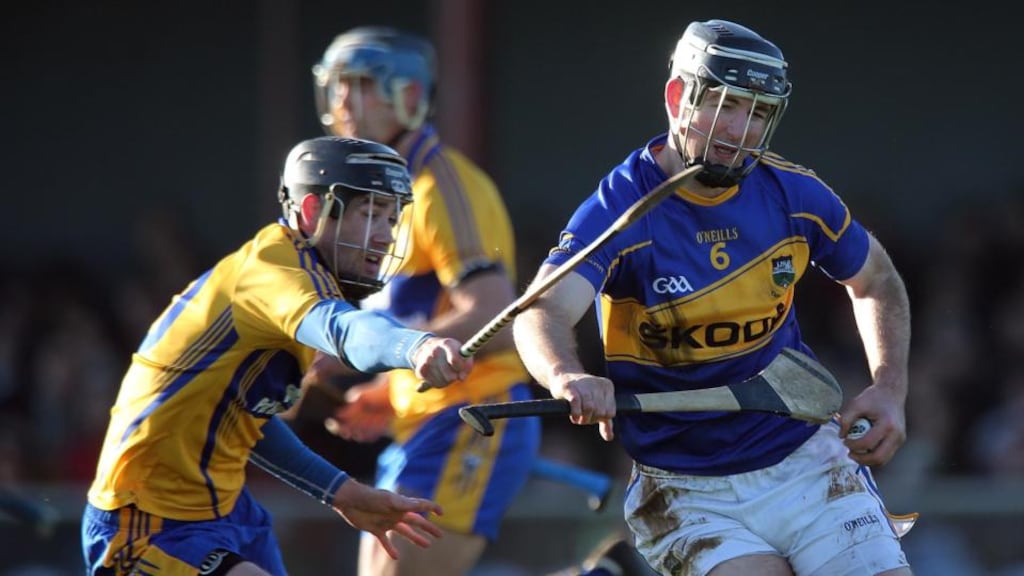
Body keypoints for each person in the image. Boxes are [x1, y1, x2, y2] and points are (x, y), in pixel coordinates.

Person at [512, 19, 913, 576]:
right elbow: (542, 310)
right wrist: (565, 375)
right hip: (684, 487)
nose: (741, 129)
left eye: (758, 113)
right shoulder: (623, 208)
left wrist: (890, 386)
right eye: (726, 105)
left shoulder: (793, 194)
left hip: (805, 460)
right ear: (679, 97)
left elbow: (877, 280)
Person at [81, 136, 474, 575]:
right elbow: (346, 331)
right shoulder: (276, 272)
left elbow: (250, 420)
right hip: (146, 520)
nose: (385, 236)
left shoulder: (313, 278)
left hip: (229, 514)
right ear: (311, 212)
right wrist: (413, 346)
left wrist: (339, 491)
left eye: (391, 217)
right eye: (369, 214)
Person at [306, 26, 541, 576]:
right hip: (425, 417)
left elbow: (494, 313)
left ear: (408, 97)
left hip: (469, 416)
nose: (341, 101)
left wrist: (368, 361)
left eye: (359, 85)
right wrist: (390, 387)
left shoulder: (442, 187)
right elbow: (423, 319)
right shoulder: (390, 194)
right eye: (336, 85)